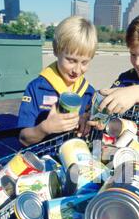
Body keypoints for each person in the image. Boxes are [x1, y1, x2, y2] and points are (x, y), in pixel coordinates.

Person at [17, 16, 97, 146]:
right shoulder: (36, 88)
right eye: (71, 60)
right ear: (56, 50)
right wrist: (44, 128)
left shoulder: (88, 92)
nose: (77, 70)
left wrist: (88, 119)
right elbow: (23, 138)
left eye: (84, 62)